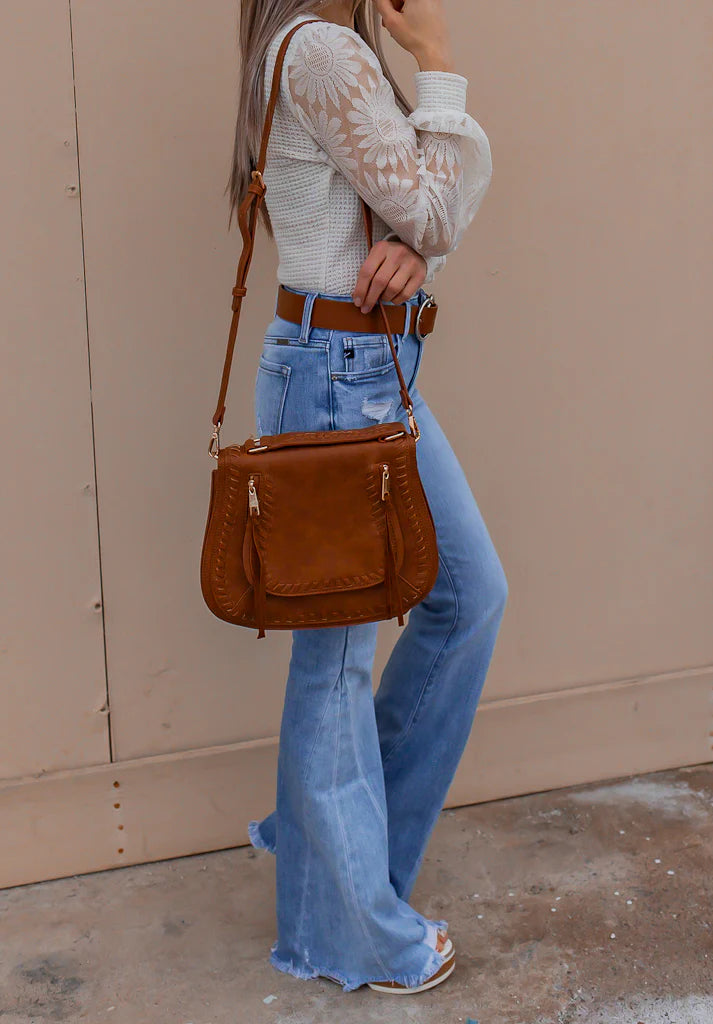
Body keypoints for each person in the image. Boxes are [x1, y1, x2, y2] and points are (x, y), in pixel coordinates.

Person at [228, 0, 508, 995]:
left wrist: (420, 247)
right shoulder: (322, 51)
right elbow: (432, 207)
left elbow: (428, 217)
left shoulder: (330, 51)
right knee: (336, 663)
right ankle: (346, 929)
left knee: (467, 597)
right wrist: (436, 57)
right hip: (336, 375)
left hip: (370, 369)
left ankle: (332, 860)